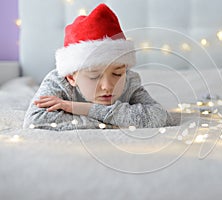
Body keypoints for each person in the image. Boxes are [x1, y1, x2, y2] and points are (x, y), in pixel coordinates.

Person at [23, 3, 173, 131]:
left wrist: (77, 108)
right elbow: (35, 121)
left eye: (117, 74)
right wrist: (112, 123)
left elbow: (159, 116)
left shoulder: (130, 80)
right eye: (94, 76)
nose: (108, 87)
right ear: (71, 77)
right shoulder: (58, 82)